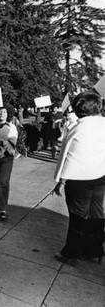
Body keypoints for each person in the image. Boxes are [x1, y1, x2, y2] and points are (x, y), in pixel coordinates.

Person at [52, 91, 105, 265]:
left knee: (77, 216)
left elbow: (67, 156)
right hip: (101, 175)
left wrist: (60, 180)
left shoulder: (78, 128)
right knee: (96, 213)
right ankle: (94, 251)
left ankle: (71, 254)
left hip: (79, 179)